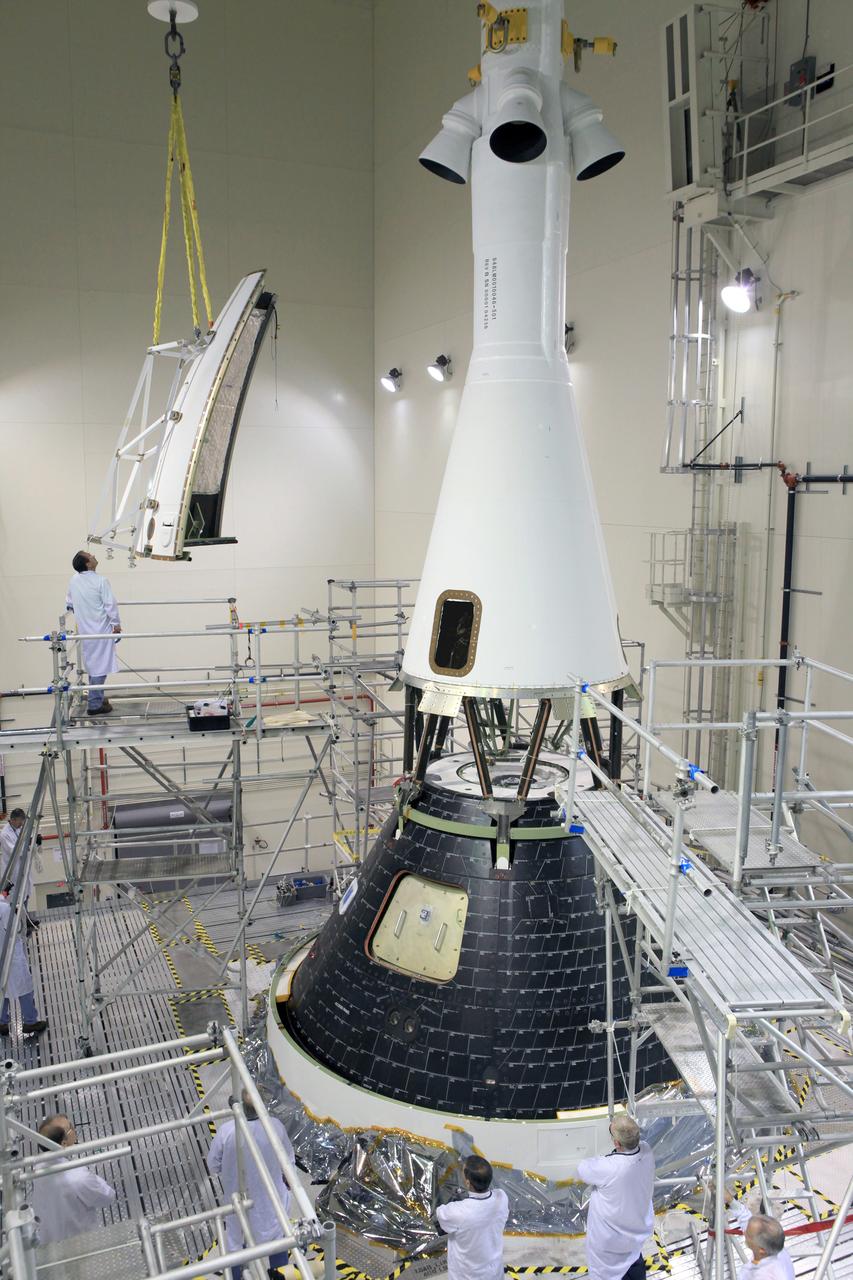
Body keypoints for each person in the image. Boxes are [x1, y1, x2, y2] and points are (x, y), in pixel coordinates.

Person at [207, 1089, 296, 1280]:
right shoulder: (275, 1126)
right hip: (271, 1204)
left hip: (239, 1203)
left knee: (236, 1248)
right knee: (279, 1242)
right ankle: (278, 1275)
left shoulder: (227, 1131)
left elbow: (212, 1165)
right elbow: (288, 1162)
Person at [577, 1114, 655, 1280]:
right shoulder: (647, 1151)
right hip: (634, 1238)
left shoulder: (609, 1167)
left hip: (609, 1246)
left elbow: (582, 1169)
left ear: (617, 1143)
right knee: (634, 1264)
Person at [30, 1114, 116, 1243]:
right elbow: (108, 1197)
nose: (74, 1129)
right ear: (63, 1143)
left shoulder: (38, 1166)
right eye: (70, 1128)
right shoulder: (79, 1178)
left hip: (50, 1241)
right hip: (79, 1244)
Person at [435, 1155, 510, 1280]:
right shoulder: (501, 1198)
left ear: (468, 1182)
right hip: (494, 1273)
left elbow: (439, 1213)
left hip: (466, 1276)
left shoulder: (457, 1211)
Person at [65, 550, 121, 716]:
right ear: (88, 563)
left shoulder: (74, 580)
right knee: (100, 667)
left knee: (93, 665)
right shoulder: (101, 581)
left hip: (85, 630)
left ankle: (96, 696)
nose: (94, 555)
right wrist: (116, 625)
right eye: (90, 555)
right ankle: (95, 704)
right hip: (100, 630)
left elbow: (69, 602)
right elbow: (110, 604)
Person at [0, 889, 47, 1036]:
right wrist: (15, 911)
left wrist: (4, 895)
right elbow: (17, 929)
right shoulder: (6, 909)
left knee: (2, 992)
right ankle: (30, 1022)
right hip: (10, 955)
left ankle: (1, 1022)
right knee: (25, 989)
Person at [739, 1215, 795, 1280]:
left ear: (762, 1250)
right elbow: (753, 1228)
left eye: (749, 1236)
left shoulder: (762, 1275)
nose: (744, 1233)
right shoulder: (774, 1246)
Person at [0, 808, 35, 907]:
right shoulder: (4, 834)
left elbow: (26, 838)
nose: (21, 824)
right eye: (20, 821)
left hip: (22, 866)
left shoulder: (19, 828)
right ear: (13, 820)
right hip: (12, 870)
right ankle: (16, 920)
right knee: (14, 896)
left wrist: (33, 840)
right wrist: (28, 844)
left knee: (26, 890)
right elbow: (15, 851)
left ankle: (25, 918)